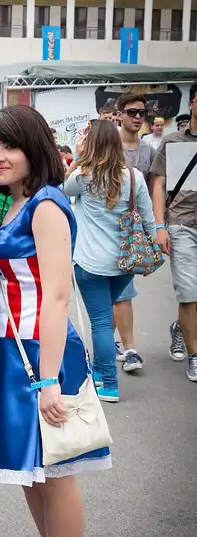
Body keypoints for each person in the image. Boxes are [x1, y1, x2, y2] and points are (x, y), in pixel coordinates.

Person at [0, 105, 110, 537]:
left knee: (57, 468)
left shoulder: (46, 204)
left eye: (10, 146)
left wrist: (51, 379)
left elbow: (55, 296)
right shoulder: (8, 199)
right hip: (10, 350)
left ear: (35, 149)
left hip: (41, 351)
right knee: (30, 469)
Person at [65, 120, 155, 402]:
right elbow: (148, 217)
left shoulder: (84, 175)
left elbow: (63, 189)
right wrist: (152, 249)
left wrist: (78, 156)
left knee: (101, 323)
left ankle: (109, 384)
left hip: (90, 263)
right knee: (105, 319)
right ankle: (101, 372)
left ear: (91, 144)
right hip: (125, 264)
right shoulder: (134, 176)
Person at [151, 81, 197, 381]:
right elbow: (158, 184)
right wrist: (159, 226)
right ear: (192, 103)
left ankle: (181, 328)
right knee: (189, 292)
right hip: (181, 223)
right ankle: (195, 355)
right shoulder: (174, 142)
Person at [113, 93, 156, 373]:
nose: (137, 117)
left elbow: (151, 191)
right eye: (131, 112)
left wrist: (153, 231)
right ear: (120, 114)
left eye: (141, 112)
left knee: (119, 290)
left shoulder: (148, 149)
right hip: (104, 225)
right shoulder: (109, 143)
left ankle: (116, 344)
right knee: (118, 292)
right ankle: (126, 348)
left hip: (132, 230)